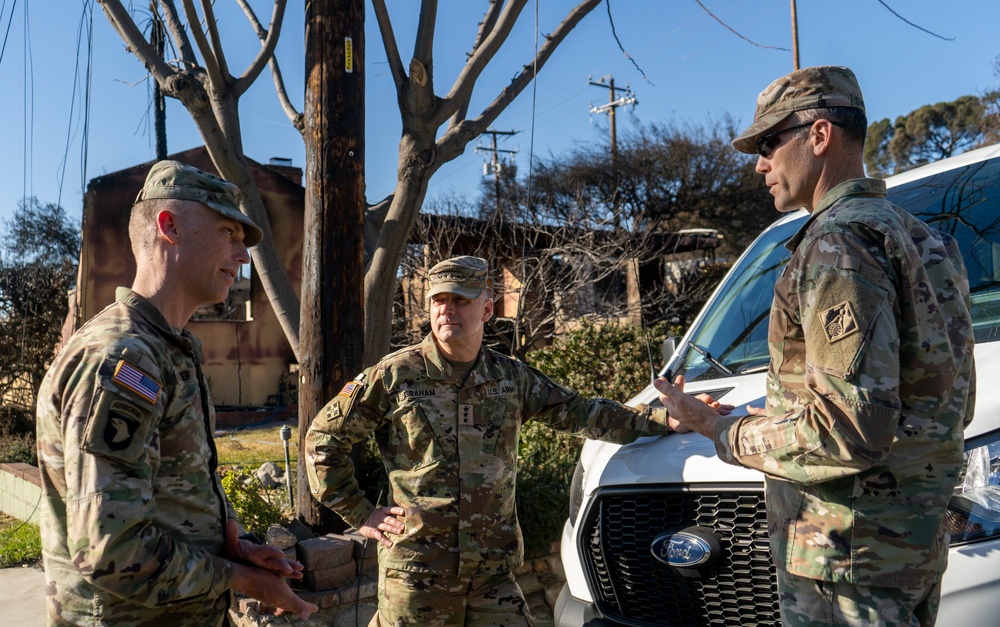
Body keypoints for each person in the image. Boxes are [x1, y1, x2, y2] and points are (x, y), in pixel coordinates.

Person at [652, 66, 976, 627]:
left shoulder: (837, 243)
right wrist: (776, 414)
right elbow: (944, 400)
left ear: (819, 136)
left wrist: (716, 428)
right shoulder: (920, 237)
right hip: (904, 551)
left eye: (770, 143)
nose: (760, 164)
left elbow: (846, 431)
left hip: (843, 563)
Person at [304, 255, 728, 626]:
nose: (447, 309)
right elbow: (323, 440)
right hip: (417, 573)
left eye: (460, 299)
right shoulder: (395, 375)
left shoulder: (510, 377)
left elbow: (582, 413)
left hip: (492, 574)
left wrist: (666, 421)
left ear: (487, 309)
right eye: (439, 300)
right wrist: (359, 511)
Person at [35, 160, 318, 626]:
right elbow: (110, 550)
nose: (242, 255)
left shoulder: (168, 349)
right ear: (169, 226)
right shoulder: (125, 357)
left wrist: (236, 546)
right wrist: (239, 578)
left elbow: (169, 494)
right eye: (228, 232)